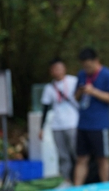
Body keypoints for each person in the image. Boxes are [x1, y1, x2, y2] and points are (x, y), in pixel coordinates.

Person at [73, 47, 109, 185]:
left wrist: (93, 91)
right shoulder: (81, 75)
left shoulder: (107, 74)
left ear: (96, 61)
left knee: (102, 158)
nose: (86, 69)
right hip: (83, 123)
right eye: (84, 66)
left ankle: (106, 187)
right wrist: (81, 92)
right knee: (81, 158)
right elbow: (76, 98)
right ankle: (77, 187)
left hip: (99, 124)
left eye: (89, 66)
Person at [39, 58, 79, 189]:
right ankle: (67, 180)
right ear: (51, 71)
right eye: (54, 69)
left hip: (73, 123)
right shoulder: (49, 88)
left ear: (64, 68)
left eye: (59, 68)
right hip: (57, 125)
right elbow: (45, 108)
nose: (57, 71)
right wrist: (41, 128)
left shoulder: (74, 81)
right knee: (63, 154)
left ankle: (80, 179)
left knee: (76, 153)